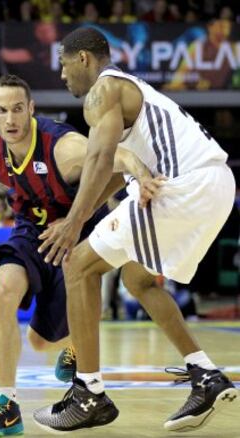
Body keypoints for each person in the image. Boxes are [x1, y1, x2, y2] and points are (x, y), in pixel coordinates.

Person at [0, 74, 153, 437]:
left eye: (18, 109)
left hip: (77, 232)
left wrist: (141, 175)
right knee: (2, 292)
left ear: (31, 109)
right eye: (2, 111)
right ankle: (7, 408)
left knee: (40, 342)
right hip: (30, 233)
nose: (11, 119)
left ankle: (78, 346)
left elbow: (119, 155)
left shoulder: (62, 146)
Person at [33, 27, 238, 433]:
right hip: (216, 186)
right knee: (138, 278)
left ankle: (88, 393)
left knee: (77, 266)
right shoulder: (128, 89)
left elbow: (99, 158)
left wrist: (74, 223)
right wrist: (82, 213)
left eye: (63, 64)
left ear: (84, 59)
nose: (61, 75)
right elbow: (110, 171)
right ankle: (205, 375)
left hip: (183, 186)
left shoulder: (102, 92)